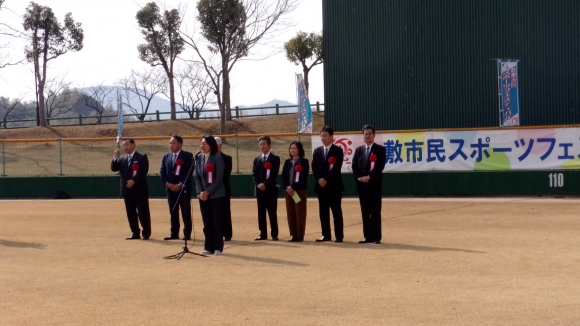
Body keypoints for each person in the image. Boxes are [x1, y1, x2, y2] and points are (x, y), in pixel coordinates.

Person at [111, 138, 151, 240]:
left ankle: (146, 233)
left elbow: (143, 172)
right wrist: (115, 157)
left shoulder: (142, 157)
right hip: (127, 191)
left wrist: (134, 181)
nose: (125, 147)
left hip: (139, 190)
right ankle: (135, 233)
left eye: (127, 145)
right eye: (123, 145)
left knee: (143, 212)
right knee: (130, 213)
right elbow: (114, 168)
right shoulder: (123, 159)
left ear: (133, 145)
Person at [352, 125, 386, 244]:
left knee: (375, 212)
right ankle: (367, 236)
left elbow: (380, 166)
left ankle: (376, 237)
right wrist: (359, 177)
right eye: (365, 134)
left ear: (374, 135)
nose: (367, 136)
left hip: (374, 185)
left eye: (369, 134)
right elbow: (354, 165)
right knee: (365, 212)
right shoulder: (359, 150)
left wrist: (370, 177)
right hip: (362, 186)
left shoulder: (380, 149)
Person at [194, 135, 227, 255]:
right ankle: (208, 246)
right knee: (207, 222)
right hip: (203, 196)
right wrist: (200, 192)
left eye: (205, 144)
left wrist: (208, 192)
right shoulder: (198, 158)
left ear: (211, 145)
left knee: (216, 221)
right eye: (201, 143)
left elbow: (218, 179)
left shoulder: (217, 158)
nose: (202, 146)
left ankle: (218, 247)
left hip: (217, 195)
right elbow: (196, 177)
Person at [311, 126, 345, 243]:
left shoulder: (338, 150)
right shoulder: (317, 151)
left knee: (336, 211)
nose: (323, 138)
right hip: (321, 187)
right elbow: (314, 167)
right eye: (321, 136)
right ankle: (325, 235)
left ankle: (339, 236)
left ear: (331, 137)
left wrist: (326, 179)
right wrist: (319, 179)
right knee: (323, 211)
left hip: (334, 186)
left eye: (325, 135)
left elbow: (336, 168)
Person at [160, 135, 194, 241]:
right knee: (173, 211)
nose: (171, 145)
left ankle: (187, 234)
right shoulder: (166, 156)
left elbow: (189, 171)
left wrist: (180, 184)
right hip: (170, 189)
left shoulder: (188, 156)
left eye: (173, 143)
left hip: (183, 189)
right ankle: (174, 233)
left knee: (185, 212)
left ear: (180, 144)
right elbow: (162, 171)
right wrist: (167, 183)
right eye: (170, 143)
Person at [251, 135, 281, 241]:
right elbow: (254, 174)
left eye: (264, 144)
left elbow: (274, 174)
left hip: (271, 190)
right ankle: (262, 233)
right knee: (261, 212)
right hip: (259, 191)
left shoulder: (275, 159)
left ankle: (274, 234)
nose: (262, 146)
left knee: (272, 212)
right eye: (260, 144)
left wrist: (265, 184)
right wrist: (258, 184)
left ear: (269, 145)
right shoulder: (257, 159)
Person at [281, 141, 309, 242]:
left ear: (299, 150)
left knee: (300, 213)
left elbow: (303, 177)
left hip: (299, 191)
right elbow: (283, 176)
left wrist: (293, 187)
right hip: (289, 191)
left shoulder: (304, 162)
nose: (292, 150)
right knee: (291, 213)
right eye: (291, 148)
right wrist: (287, 188)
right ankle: (293, 234)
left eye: (294, 148)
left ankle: (300, 235)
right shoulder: (287, 162)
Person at [215, 137, 233, 241]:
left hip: (223, 189)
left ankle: (227, 234)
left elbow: (225, 175)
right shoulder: (208, 158)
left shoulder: (227, 158)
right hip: (211, 190)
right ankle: (216, 233)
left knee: (225, 212)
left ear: (220, 146)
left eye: (216, 145)